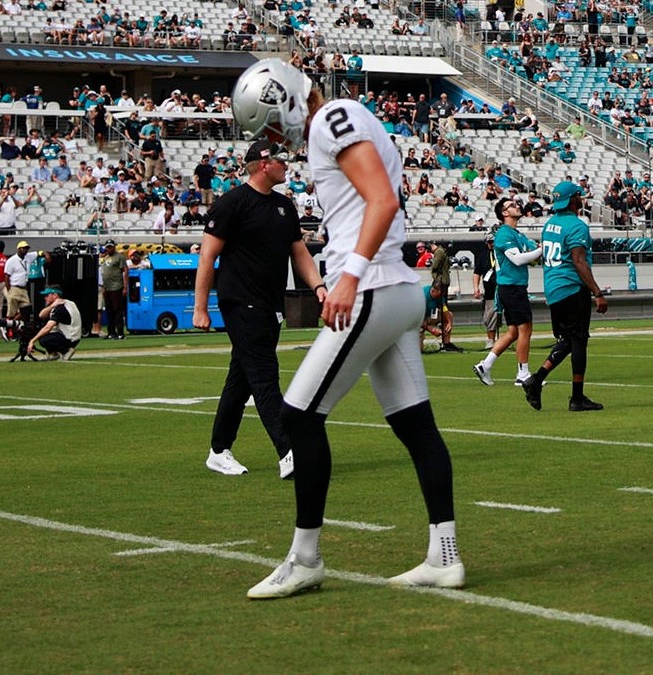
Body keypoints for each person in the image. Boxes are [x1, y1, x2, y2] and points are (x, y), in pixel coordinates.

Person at [232, 59, 464, 598]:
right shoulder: (338, 119)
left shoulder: (331, 117)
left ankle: (305, 558)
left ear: (284, 101)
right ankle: (444, 555)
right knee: (415, 426)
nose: (271, 140)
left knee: (298, 416)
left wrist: (349, 277)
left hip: (374, 287)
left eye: (267, 125)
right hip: (395, 287)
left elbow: (381, 199)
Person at [193, 139, 326, 479]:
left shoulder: (284, 205)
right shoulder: (233, 203)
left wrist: (320, 287)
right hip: (241, 302)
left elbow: (299, 253)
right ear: (264, 164)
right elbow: (207, 256)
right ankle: (289, 452)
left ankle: (219, 450)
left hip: (268, 305)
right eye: (281, 160)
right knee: (265, 379)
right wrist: (200, 307)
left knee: (240, 381)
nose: (287, 166)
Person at [521, 181, 608, 411]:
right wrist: (597, 292)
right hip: (571, 287)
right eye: (579, 196)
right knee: (579, 341)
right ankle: (576, 398)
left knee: (568, 341)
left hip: (553, 288)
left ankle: (535, 381)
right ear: (572, 200)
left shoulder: (549, 224)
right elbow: (579, 261)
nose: (582, 199)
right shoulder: (577, 226)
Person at [473, 199, 543, 387]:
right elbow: (519, 259)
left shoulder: (516, 234)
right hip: (511, 287)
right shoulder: (504, 234)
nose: (517, 206)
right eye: (511, 205)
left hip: (513, 286)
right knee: (525, 328)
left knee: (513, 332)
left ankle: (485, 366)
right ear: (504, 213)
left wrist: (536, 253)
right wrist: (540, 250)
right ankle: (523, 374)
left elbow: (531, 255)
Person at [26, 286, 81, 360]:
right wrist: (52, 306)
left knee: (43, 338)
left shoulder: (60, 309)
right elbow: (41, 315)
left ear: (55, 295)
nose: (45, 298)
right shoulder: (69, 303)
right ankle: (54, 353)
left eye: (47, 295)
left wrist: (32, 341)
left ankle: (66, 351)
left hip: (69, 339)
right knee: (43, 330)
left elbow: (48, 328)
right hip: (74, 337)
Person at [4, 240, 42, 324]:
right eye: (23, 248)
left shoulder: (28, 256)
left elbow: (39, 252)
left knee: (26, 310)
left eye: (26, 248)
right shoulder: (11, 260)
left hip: (23, 288)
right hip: (14, 287)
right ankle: (7, 327)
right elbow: (6, 276)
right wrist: (9, 290)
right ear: (18, 249)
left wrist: (45, 254)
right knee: (11, 311)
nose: (25, 250)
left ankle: (14, 324)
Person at [100, 239, 127, 339]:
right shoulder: (106, 257)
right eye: (107, 247)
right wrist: (103, 286)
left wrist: (125, 286)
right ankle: (111, 332)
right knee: (109, 310)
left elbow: (125, 271)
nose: (109, 248)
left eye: (110, 247)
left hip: (116, 286)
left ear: (114, 247)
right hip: (107, 287)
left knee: (117, 310)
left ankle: (120, 332)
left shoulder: (119, 257)